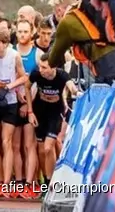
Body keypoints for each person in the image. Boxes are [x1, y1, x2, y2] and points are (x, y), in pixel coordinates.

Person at [0, 28, 32, 196]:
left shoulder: (14, 55)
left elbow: (23, 76)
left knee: (7, 142)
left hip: (10, 101)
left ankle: (6, 183)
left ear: (5, 44)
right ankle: (0, 180)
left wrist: (8, 88)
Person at [48, 0, 115, 84]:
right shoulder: (85, 11)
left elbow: (53, 60)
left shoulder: (67, 21)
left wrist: (55, 36)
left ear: (58, 10)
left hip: (104, 64)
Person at [30, 54, 76, 188]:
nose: (41, 70)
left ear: (53, 67)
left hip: (55, 113)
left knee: (48, 147)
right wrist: (30, 111)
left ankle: (54, 182)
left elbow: (71, 85)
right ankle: (47, 180)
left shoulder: (61, 75)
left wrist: (75, 91)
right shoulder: (37, 74)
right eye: (40, 67)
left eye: (44, 67)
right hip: (39, 112)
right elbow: (27, 86)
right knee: (41, 150)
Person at [13, 19, 43, 197]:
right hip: (13, 102)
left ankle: (30, 183)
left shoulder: (38, 54)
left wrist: (27, 102)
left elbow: (39, 81)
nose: (23, 35)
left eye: (26, 31)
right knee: (15, 145)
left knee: (28, 145)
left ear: (32, 33)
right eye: (20, 31)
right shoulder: (11, 51)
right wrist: (18, 96)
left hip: (32, 102)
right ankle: (19, 182)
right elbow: (10, 77)